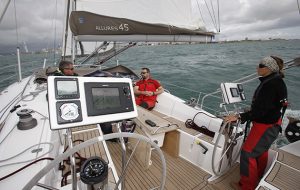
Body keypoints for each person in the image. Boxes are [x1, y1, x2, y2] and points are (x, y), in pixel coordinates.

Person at [224, 56, 287, 190]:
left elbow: (261, 110)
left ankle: (247, 186)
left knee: (248, 153)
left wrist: (240, 116)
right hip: (273, 123)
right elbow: (267, 105)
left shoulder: (270, 85)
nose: (257, 67)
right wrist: (250, 112)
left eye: (260, 65)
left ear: (269, 68)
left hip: (265, 126)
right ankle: (257, 176)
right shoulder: (276, 81)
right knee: (261, 150)